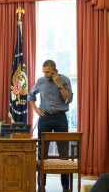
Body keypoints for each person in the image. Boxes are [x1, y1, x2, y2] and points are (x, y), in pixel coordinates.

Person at [28, 60, 73, 192]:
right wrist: (35, 109)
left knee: (64, 153)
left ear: (54, 70)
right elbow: (31, 95)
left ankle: (65, 186)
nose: (45, 74)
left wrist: (58, 84)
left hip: (60, 118)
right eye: (44, 71)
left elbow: (68, 99)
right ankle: (41, 185)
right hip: (45, 117)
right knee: (42, 153)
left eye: (47, 72)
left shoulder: (65, 80)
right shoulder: (40, 81)